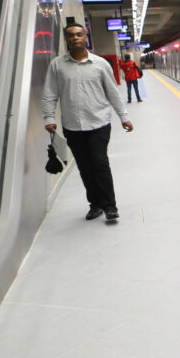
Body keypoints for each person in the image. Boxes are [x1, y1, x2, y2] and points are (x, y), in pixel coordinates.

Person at [42, 23, 134, 222]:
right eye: (71, 35)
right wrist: (49, 118)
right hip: (72, 126)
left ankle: (110, 206)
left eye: (79, 34)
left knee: (100, 163)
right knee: (84, 167)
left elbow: (113, 92)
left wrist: (124, 117)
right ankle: (95, 204)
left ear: (85, 37)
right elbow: (49, 94)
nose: (75, 38)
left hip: (99, 123)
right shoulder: (57, 65)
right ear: (66, 39)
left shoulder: (100, 64)